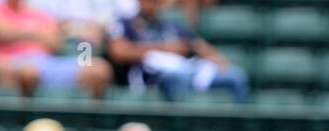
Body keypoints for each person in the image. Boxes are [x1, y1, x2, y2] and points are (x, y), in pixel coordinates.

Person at [106, 0, 247, 102]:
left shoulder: (170, 25)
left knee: (236, 77)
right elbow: (119, 52)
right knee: (176, 78)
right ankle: (183, 130)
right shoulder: (126, 23)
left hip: (186, 71)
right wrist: (165, 49)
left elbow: (198, 45)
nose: (153, 3)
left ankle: (238, 130)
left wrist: (218, 63)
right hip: (153, 78)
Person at [0, 0, 111, 98]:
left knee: (98, 69)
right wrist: (36, 34)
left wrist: (15, 33)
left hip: (47, 63)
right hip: (10, 63)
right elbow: (0, 33)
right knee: (27, 72)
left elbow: (55, 42)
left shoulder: (39, 11)